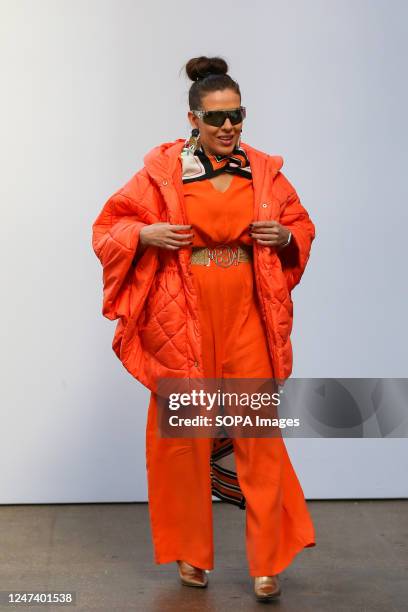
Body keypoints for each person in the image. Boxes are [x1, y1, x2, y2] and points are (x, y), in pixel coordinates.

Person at [92, 55, 316, 602]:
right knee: (185, 442)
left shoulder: (264, 172)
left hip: (246, 315)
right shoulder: (162, 173)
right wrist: (145, 235)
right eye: (215, 118)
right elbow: (108, 227)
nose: (227, 127)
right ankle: (191, 555)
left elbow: (300, 225)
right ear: (193, 118)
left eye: (236, 115)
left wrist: (285, 239)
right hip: (182, 318)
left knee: (259, 439)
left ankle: (268, 563)